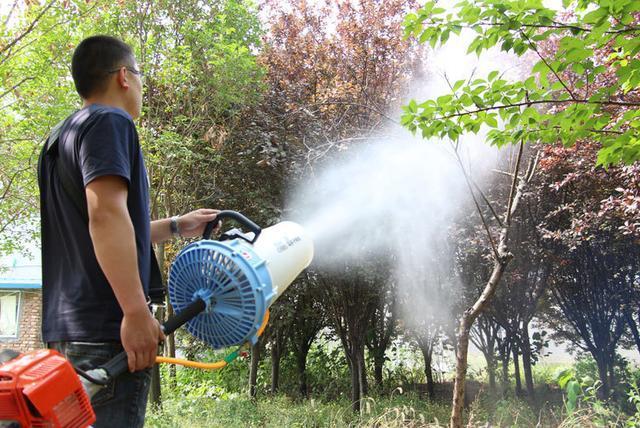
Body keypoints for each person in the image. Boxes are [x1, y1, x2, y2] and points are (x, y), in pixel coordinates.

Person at [38, 35, 219, 427]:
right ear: (123, 76)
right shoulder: (110, 121)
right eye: (139, 75)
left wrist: (176, 226)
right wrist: (136, 312)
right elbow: (105, 217)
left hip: (67, 331)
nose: (140, 85)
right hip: (108, 331)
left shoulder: (60, 136)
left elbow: (96, 229)